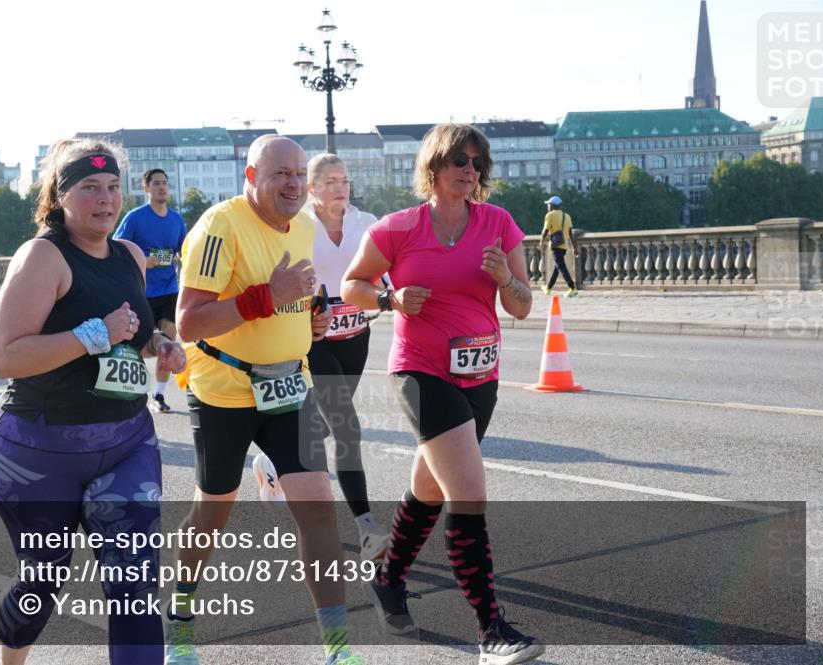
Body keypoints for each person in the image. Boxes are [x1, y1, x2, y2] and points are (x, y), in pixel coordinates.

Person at [341, 124, 544, 664]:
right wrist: (390, 298)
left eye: (478, 162)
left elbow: (523, 306)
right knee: (469, 490)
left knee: (430, 486)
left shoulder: (498, 224)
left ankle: (387, 580)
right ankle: (491, 630)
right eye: (460, 159)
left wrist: (506, 277)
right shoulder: (398, 228)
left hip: (481, 374)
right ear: (435, 165)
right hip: (421, 370)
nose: (470, 170)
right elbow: (352, 286)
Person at [0, 138, 186, 665]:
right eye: (90, 187)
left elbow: (133, 329)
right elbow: (4, 357)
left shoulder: (130, 255)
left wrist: (159, 345)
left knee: (136, 586)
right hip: (36, 448)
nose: (106, 199)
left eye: (114, 187)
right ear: (60, 195)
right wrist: (94, 333)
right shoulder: (43, 255)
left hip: (125, 441)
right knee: (42, 582)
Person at [166, 135, 365, 665]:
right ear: (251, 177)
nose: (293, 184)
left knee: (319, 510)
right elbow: (188, 322)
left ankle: (340, 650)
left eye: (299, 174)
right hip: (224, 392)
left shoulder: (305, 226)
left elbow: (295, 295)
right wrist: (267, 298)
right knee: (213, 511)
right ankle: (180, 624)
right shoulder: (220, 226)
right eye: (280, 174)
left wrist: (311, 317)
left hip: (288, 389)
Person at [251, 153, 388, 561]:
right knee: (348, 429)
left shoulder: (366, 224)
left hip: (356, 337)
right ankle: (366, 528)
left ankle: (272, 465)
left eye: (343, 180)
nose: (339, 188)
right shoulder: (299, 227)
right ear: (311, 188)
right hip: (315, 341)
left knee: (327, 426)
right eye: (329, 181)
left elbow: (389, 268)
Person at [113, 168, 187, 414]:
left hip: (169, 290)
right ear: (146, 189)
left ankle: (159, 395)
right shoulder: (135, 218)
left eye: (165, 183)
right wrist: (143, 260)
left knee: (167, 343)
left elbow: (184, 252)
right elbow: (115, 248)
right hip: (141, 292)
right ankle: (130, 390)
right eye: (156, 184)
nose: (162, 188)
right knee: (136, 344)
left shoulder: (176, 219)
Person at [539, 195, 578, 297]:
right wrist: (575, 247)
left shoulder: (550, 215)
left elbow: (546, 230)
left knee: (561, 266)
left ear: (552, 205)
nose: (548, 206)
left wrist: (542, 241)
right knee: (558, 267)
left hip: (555, 245)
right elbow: (570, 233)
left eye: (548, 204)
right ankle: (548, 288)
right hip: (564, 246)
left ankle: (572, 287)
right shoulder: (567, 216)